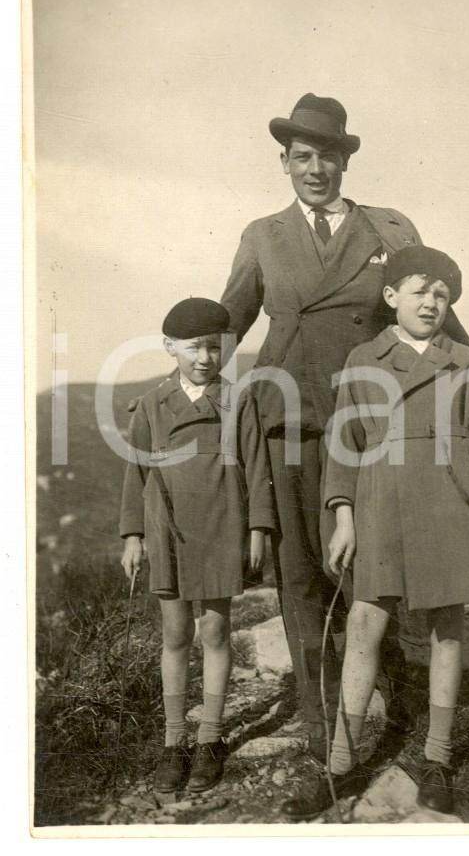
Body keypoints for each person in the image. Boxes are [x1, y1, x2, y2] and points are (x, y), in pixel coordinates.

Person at [219, 93, 469, 761]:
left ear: (343, 160)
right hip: (290, 422)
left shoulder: (387, 229)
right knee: (300, 575)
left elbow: (433, 309)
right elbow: (228, 321)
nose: (315, 168)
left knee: (374, 571)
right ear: (284, 162)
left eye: (327, 155)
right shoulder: (262, 235)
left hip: (371, 426)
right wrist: (189, 394)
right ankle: (317, 716)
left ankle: (384, 701)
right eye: (301, 156)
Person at [281, 246, 469, 819]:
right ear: (390, 298)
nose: (432, 302)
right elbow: (344, 443)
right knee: (365, 620)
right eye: (419, 291)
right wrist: (343, 515)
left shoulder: (464, 360)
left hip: (452, 504)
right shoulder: (364, 358)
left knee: (447, 628)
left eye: (442, 294)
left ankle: (437, 760)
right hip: (380, 501)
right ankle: (341, 762)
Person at [119, 298, 276, 793]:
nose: (205, 357)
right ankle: (173, 742)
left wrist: (258, 529)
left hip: (222, 525)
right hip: (168, 530)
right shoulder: (150, 404)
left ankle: (209, 738)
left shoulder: (238, 400)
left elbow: (257, 466)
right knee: (174, 635)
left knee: (214, 632)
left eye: (215, 346)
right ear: (170, 347)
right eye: (194, 347)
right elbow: (135, 472)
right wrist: (132, 535)